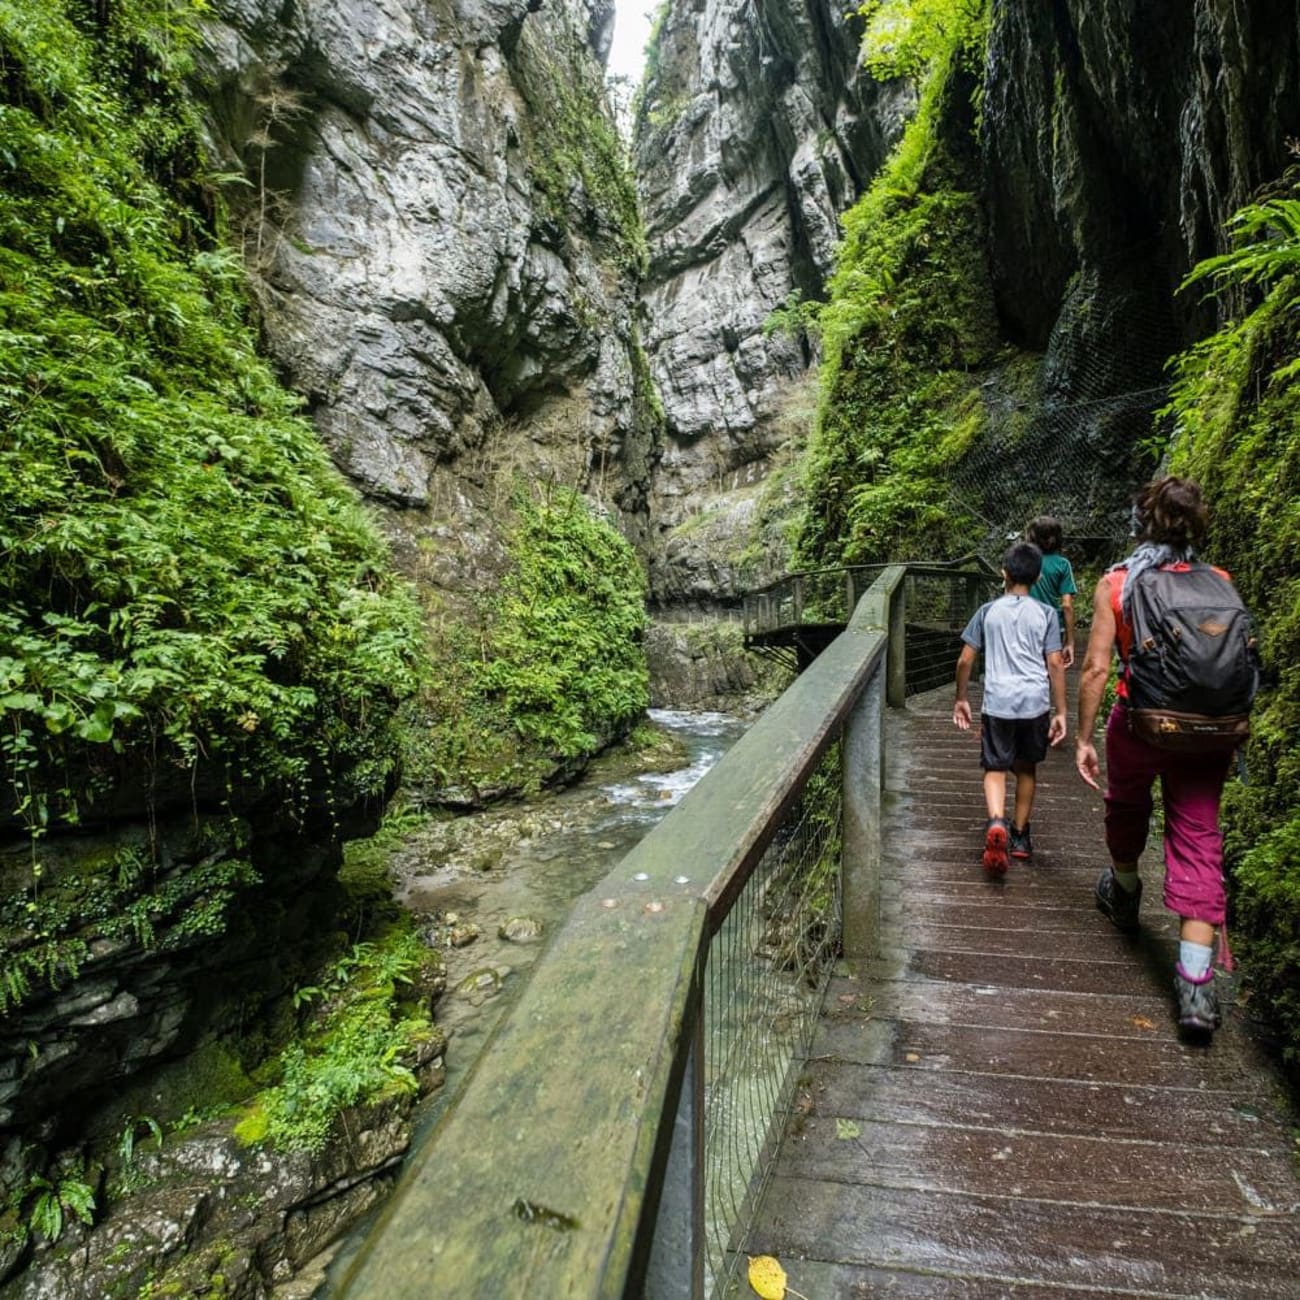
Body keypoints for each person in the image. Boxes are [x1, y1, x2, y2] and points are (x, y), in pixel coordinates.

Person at [1075, 476, 1234, 1038]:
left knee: (1126, 806)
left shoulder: (1118, 584)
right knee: (1199, 835)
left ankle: (1124, 891)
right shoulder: (1220, 582)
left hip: (1139, 721)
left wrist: (1084, 737)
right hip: (1209, 731)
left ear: (1140, 523)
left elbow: (1096, 668)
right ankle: (1196, 991)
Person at [954, 542, 1068, 875]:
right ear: (1037, 577)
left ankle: (995, 822)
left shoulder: (988, 612)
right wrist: (1061, 710)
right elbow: (1056, 663)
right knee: (1027, 767)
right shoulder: (1046, 614)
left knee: (995, 766)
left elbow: (965, 659)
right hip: (1034, 702)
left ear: (1004, 574)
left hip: (998, 702)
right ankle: (1019, 837)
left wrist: (961, 697)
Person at [1026, 516, 1078, 668]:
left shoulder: (1025, 560)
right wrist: (1070, 642)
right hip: (1053, 624)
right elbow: (1067, 605)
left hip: (1026, 621)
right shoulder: (1063, 564)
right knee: (1050, 668)